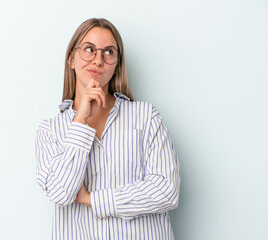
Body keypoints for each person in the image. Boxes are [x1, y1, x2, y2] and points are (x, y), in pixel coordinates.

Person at [35, 18, 180, 240]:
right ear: (71, 59)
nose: (98, 60)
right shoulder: (50, 131)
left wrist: (91, 199)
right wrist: (81, 119)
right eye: (89, 50)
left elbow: (166, 191)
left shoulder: (146, 116)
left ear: (116, 65)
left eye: (109, 52)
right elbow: (60, 192)